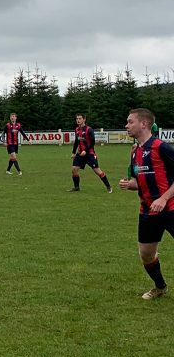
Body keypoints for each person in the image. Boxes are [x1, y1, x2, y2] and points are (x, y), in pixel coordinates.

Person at [118, 108, 174, 300]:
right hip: (148, 211)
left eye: (130, 121)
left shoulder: (161, 147)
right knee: (146, 254)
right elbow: (139, 181)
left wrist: (164, 198)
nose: (126, 125)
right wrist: (130, 184)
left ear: (143, 124)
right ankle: (160, 287)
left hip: (171, 208)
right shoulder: (135, 152)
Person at [69, 113, 112, 193]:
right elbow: (76, 141)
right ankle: (76, 187)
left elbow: (92, 142)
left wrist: (86, 151)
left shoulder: (89, 129)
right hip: (80, 154)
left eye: (80, 118)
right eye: (77, 119)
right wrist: (73, 152)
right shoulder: (77, 129)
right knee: (74, 169)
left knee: (97, 171)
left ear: (84, 119)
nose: (78, 120)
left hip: (89, 154)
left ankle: (108, 187)